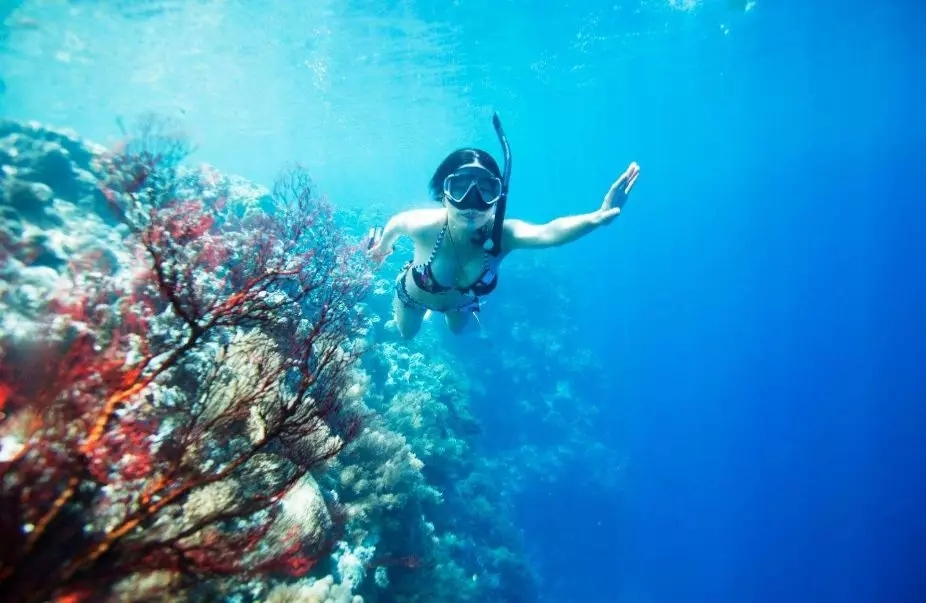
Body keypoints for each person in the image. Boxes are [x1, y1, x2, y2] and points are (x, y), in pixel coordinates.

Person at [366, 113, 640, 340]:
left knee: (457, 331)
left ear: (499, 197)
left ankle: (455, 310)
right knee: (407, 334)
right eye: (459, 188)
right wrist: (382, 249)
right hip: (413, 298)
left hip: (461, 304)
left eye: (486, 190)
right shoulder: (424, 225)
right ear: (443, 194)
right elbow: (395, 224)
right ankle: (419, 305)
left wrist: (596, 218)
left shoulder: (504, 235)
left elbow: (550, 233)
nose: (472, 202)